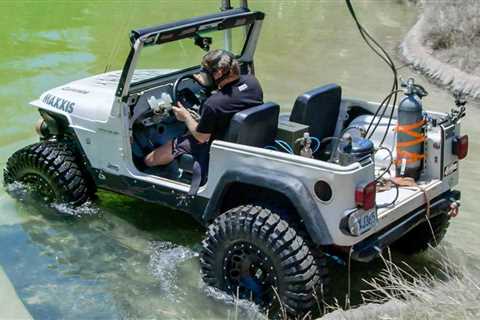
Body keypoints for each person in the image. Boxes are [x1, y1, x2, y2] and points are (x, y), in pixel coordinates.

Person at [144, 49, 263, 190]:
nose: (202, 75)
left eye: (205, 71)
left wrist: (186, 116)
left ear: (218, 73)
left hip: (212, 143)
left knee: (150, 159)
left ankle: (153, 174)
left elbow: (201, 137)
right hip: (245, 139)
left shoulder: (214, 104)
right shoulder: (252, 82)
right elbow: (230, 101)